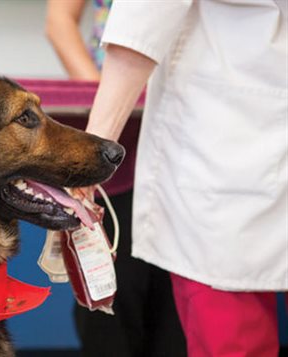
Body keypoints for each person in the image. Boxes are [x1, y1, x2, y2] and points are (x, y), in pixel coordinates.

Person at [85, 0, 287, 356]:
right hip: (234, 150)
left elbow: (139, 30)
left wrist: (85, 168)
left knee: (230, 336)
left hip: (225, 150)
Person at [46, 1, 186, 356]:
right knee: (110, 287)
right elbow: (59, 21)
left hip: (187, 125)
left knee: (179, 300)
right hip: (116, 129)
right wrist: (105, 98)